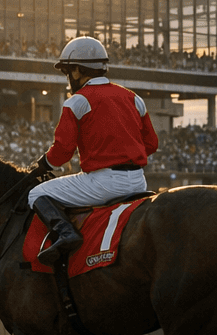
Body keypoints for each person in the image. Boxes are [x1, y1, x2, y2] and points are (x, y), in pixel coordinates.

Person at [28, 36, 160, 265]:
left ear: (77, 71)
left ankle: (68, 234)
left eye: (68, 72)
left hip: (103, 183)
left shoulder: (76, 101)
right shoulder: (134, 98)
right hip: (139, 182)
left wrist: (42, 164)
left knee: (36, 194)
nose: (68, 79)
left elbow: (62, 152)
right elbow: (152, 144)